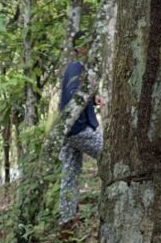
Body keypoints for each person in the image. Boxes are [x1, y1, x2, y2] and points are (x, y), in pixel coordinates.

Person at [59, 32, 103, 230]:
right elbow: (73, 95)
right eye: (85, 45)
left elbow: (79, 94)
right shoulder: (76, 68)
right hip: (77, 128)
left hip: (68, 130)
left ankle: (67, 220)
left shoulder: (79, 69)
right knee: (110, 154)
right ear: (78, 49)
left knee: (70, 173)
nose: (89, 48)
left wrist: (93, 99)